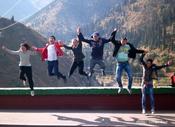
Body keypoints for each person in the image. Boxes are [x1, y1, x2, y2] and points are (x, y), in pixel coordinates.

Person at [110, 28, 146, 94]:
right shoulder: (117, 44)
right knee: (117, 77)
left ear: (126, 41)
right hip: (119, 64)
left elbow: (135, 50)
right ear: (120, 41)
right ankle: (120, 86)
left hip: (126, 63)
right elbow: (111, 39)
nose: (123, 42)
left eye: (125, 41)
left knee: (131, 76)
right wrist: (114, 31)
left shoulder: (128, 46)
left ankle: (129, 87)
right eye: (122, 41)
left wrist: (143, 51)